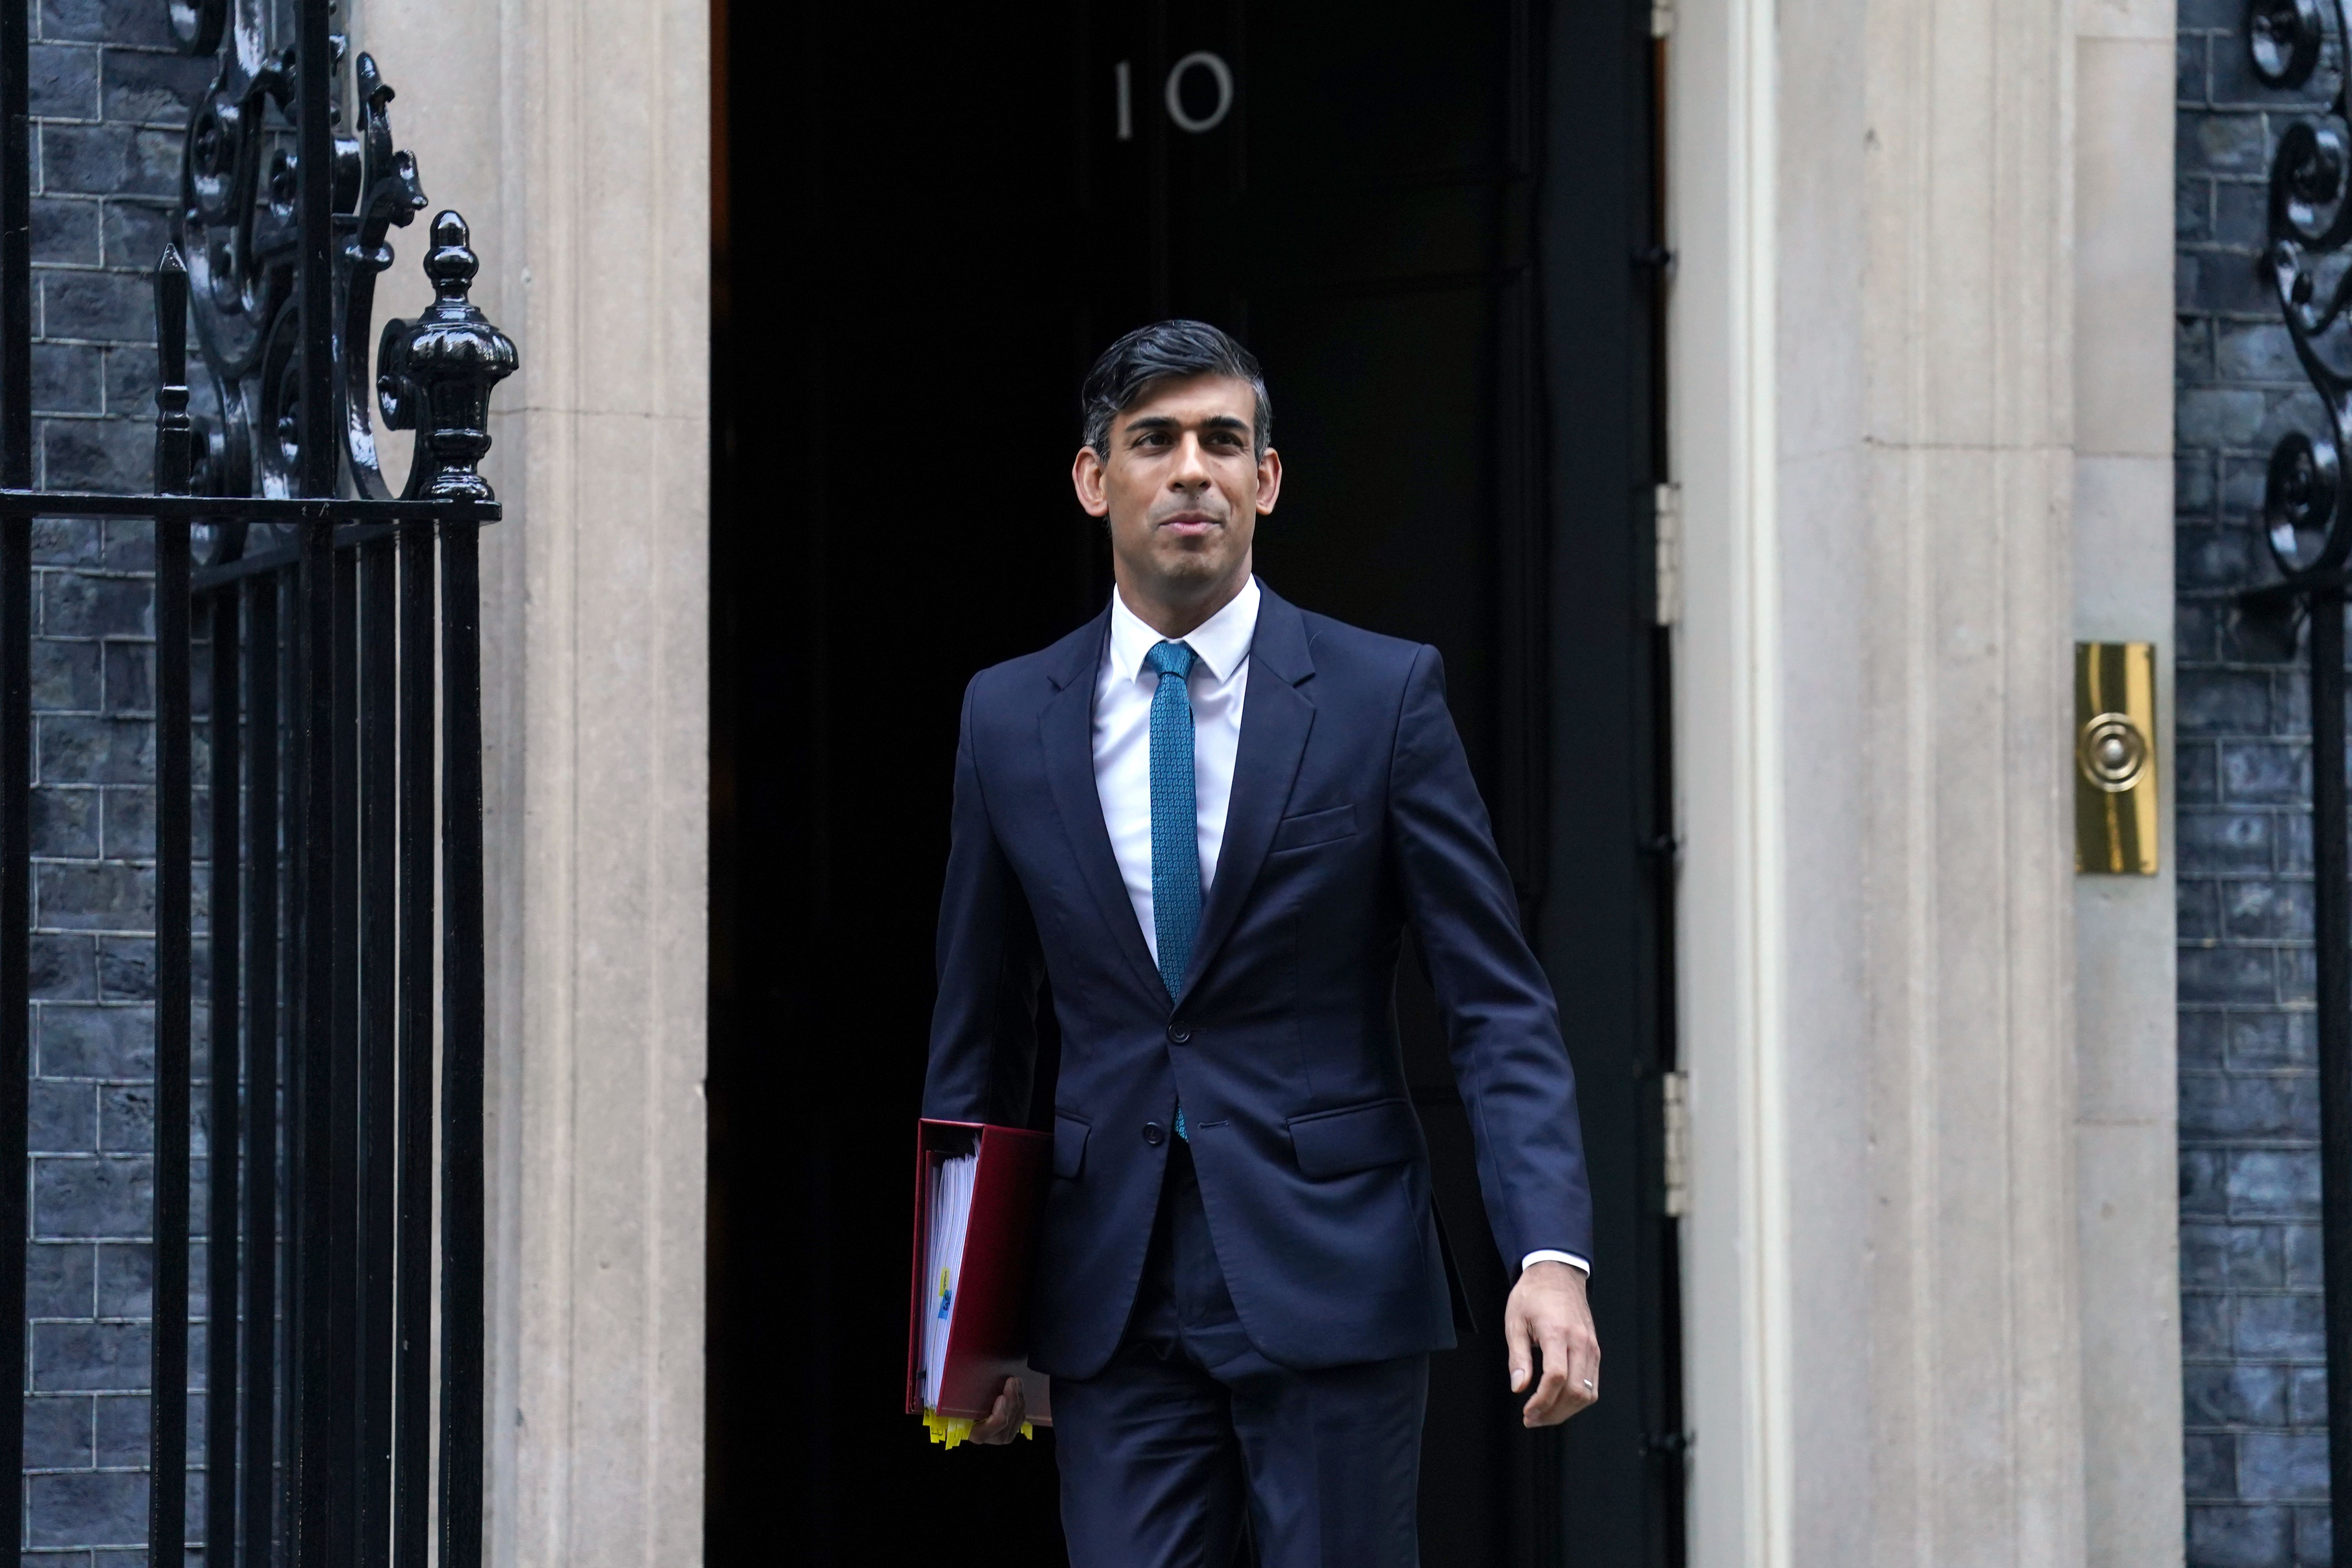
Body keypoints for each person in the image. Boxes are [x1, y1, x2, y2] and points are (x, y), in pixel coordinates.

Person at [922, 319, 1598, 1566]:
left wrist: (1549, 1257)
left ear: (1267, 481)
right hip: (1105, 1289)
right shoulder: (1007, 716)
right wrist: (962, 1326)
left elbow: (1495, 1003)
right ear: (1093, 480)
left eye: (1224, 442)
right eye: (1156, 441)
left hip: (1335, 1272)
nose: (1193, 470)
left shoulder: (1383, 696)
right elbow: (981, 1031)